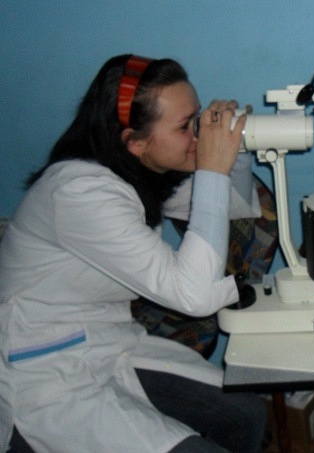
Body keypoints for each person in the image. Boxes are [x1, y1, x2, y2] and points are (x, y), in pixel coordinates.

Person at [0, 54, 267, 452]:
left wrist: (235, 148)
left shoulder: (136, 168)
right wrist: (212, 168)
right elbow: (193, 294)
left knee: (246, 413)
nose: (197, 134)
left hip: (110, 342)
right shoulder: (80, 194)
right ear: (135, 142)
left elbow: (230, 206)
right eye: (185, 127)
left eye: (197, 119)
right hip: (42, 371)